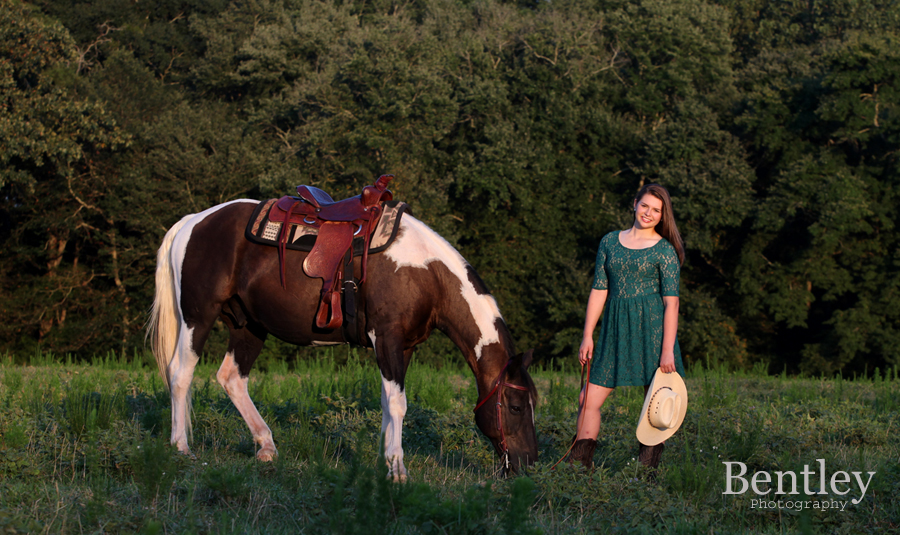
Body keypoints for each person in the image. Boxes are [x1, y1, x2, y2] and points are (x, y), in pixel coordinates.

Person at [569, 183, 686, 470]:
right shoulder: (609, 242)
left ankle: (646, 476)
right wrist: (587, 335)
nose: (648, 213)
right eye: (645, 205)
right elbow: (599, 289)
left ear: (662, 216)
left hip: (653, 332)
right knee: (588, 399)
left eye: (656, 210)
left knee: (656, 402)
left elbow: (672, 304)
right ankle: (577, 469)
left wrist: (667, 350)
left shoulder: (664, 251)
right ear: (634, 204)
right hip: (615, 330)